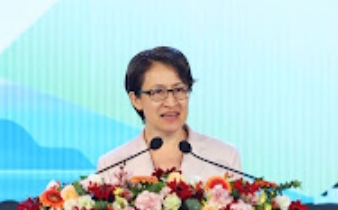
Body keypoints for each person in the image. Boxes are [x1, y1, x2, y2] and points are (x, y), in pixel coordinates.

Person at [97, 46, 242, 181]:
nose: (171, 103)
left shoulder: (225, 157)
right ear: (136, 100)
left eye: (179, 90)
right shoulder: (111, 166)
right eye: (158, 92)